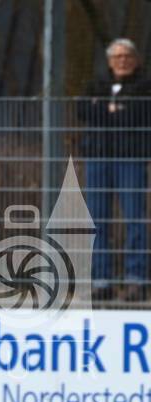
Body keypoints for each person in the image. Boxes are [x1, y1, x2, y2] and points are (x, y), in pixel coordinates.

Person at [79, 38, 151, 302]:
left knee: (134, 219)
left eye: (127, 56)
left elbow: (139, 114)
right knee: (97, 221)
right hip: (98, 158)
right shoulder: (95, 84)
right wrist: (117, 110)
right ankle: (101, 281)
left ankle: (136, 279)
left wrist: (105, 110)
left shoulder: (145, 87)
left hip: (131, 159)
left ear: (136, 60)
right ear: (109, 61)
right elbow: (82, 109)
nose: (123, 61)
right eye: (117, 56)